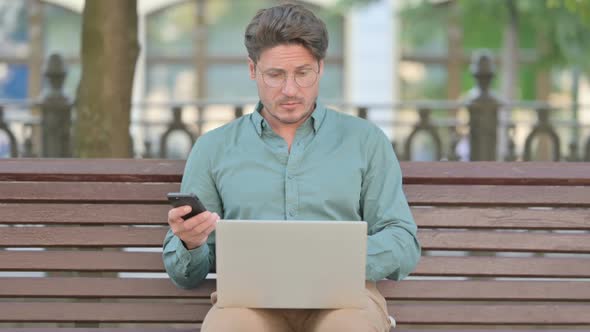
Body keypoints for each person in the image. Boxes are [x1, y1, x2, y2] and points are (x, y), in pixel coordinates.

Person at [163, 3, 420, 331]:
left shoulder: (364, 140)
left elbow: (402, 240)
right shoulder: (214, 148)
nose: (290, 90)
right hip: (249, 302)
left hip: (346, 301)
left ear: (320, 68)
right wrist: (190, 242)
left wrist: (334, 261)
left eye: (302, 73)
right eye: (275, 75)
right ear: (253, 70)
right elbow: (184, 274)